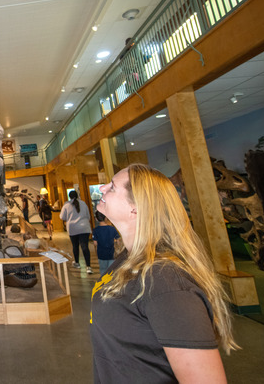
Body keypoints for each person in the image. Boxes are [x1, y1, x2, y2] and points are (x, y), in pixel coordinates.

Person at [91, 164, 237, 383]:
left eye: (112, 187)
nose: (102, 188)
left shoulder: (166, 282)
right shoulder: (128, 259)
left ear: (136, 208)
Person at [60, 190, 93, 273]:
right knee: (85, 246)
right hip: (84, 227)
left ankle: (77, 263)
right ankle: (88, 267)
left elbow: (62, 217)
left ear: (69, 196)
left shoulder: (66, 205)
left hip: (73, 228)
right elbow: (88, 216)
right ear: (77, 195)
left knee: (75, 246)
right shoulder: (83, 203)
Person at [91, 211, 119, 276]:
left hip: (101, 254)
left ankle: (103, 284)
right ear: (106, 218)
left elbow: (95, 243)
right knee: (111, 270)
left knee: (103, 270)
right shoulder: (112, 229)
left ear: (96, 219)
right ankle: (111, 284)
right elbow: (118, 240)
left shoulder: (96, 230)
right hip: (112, 254)